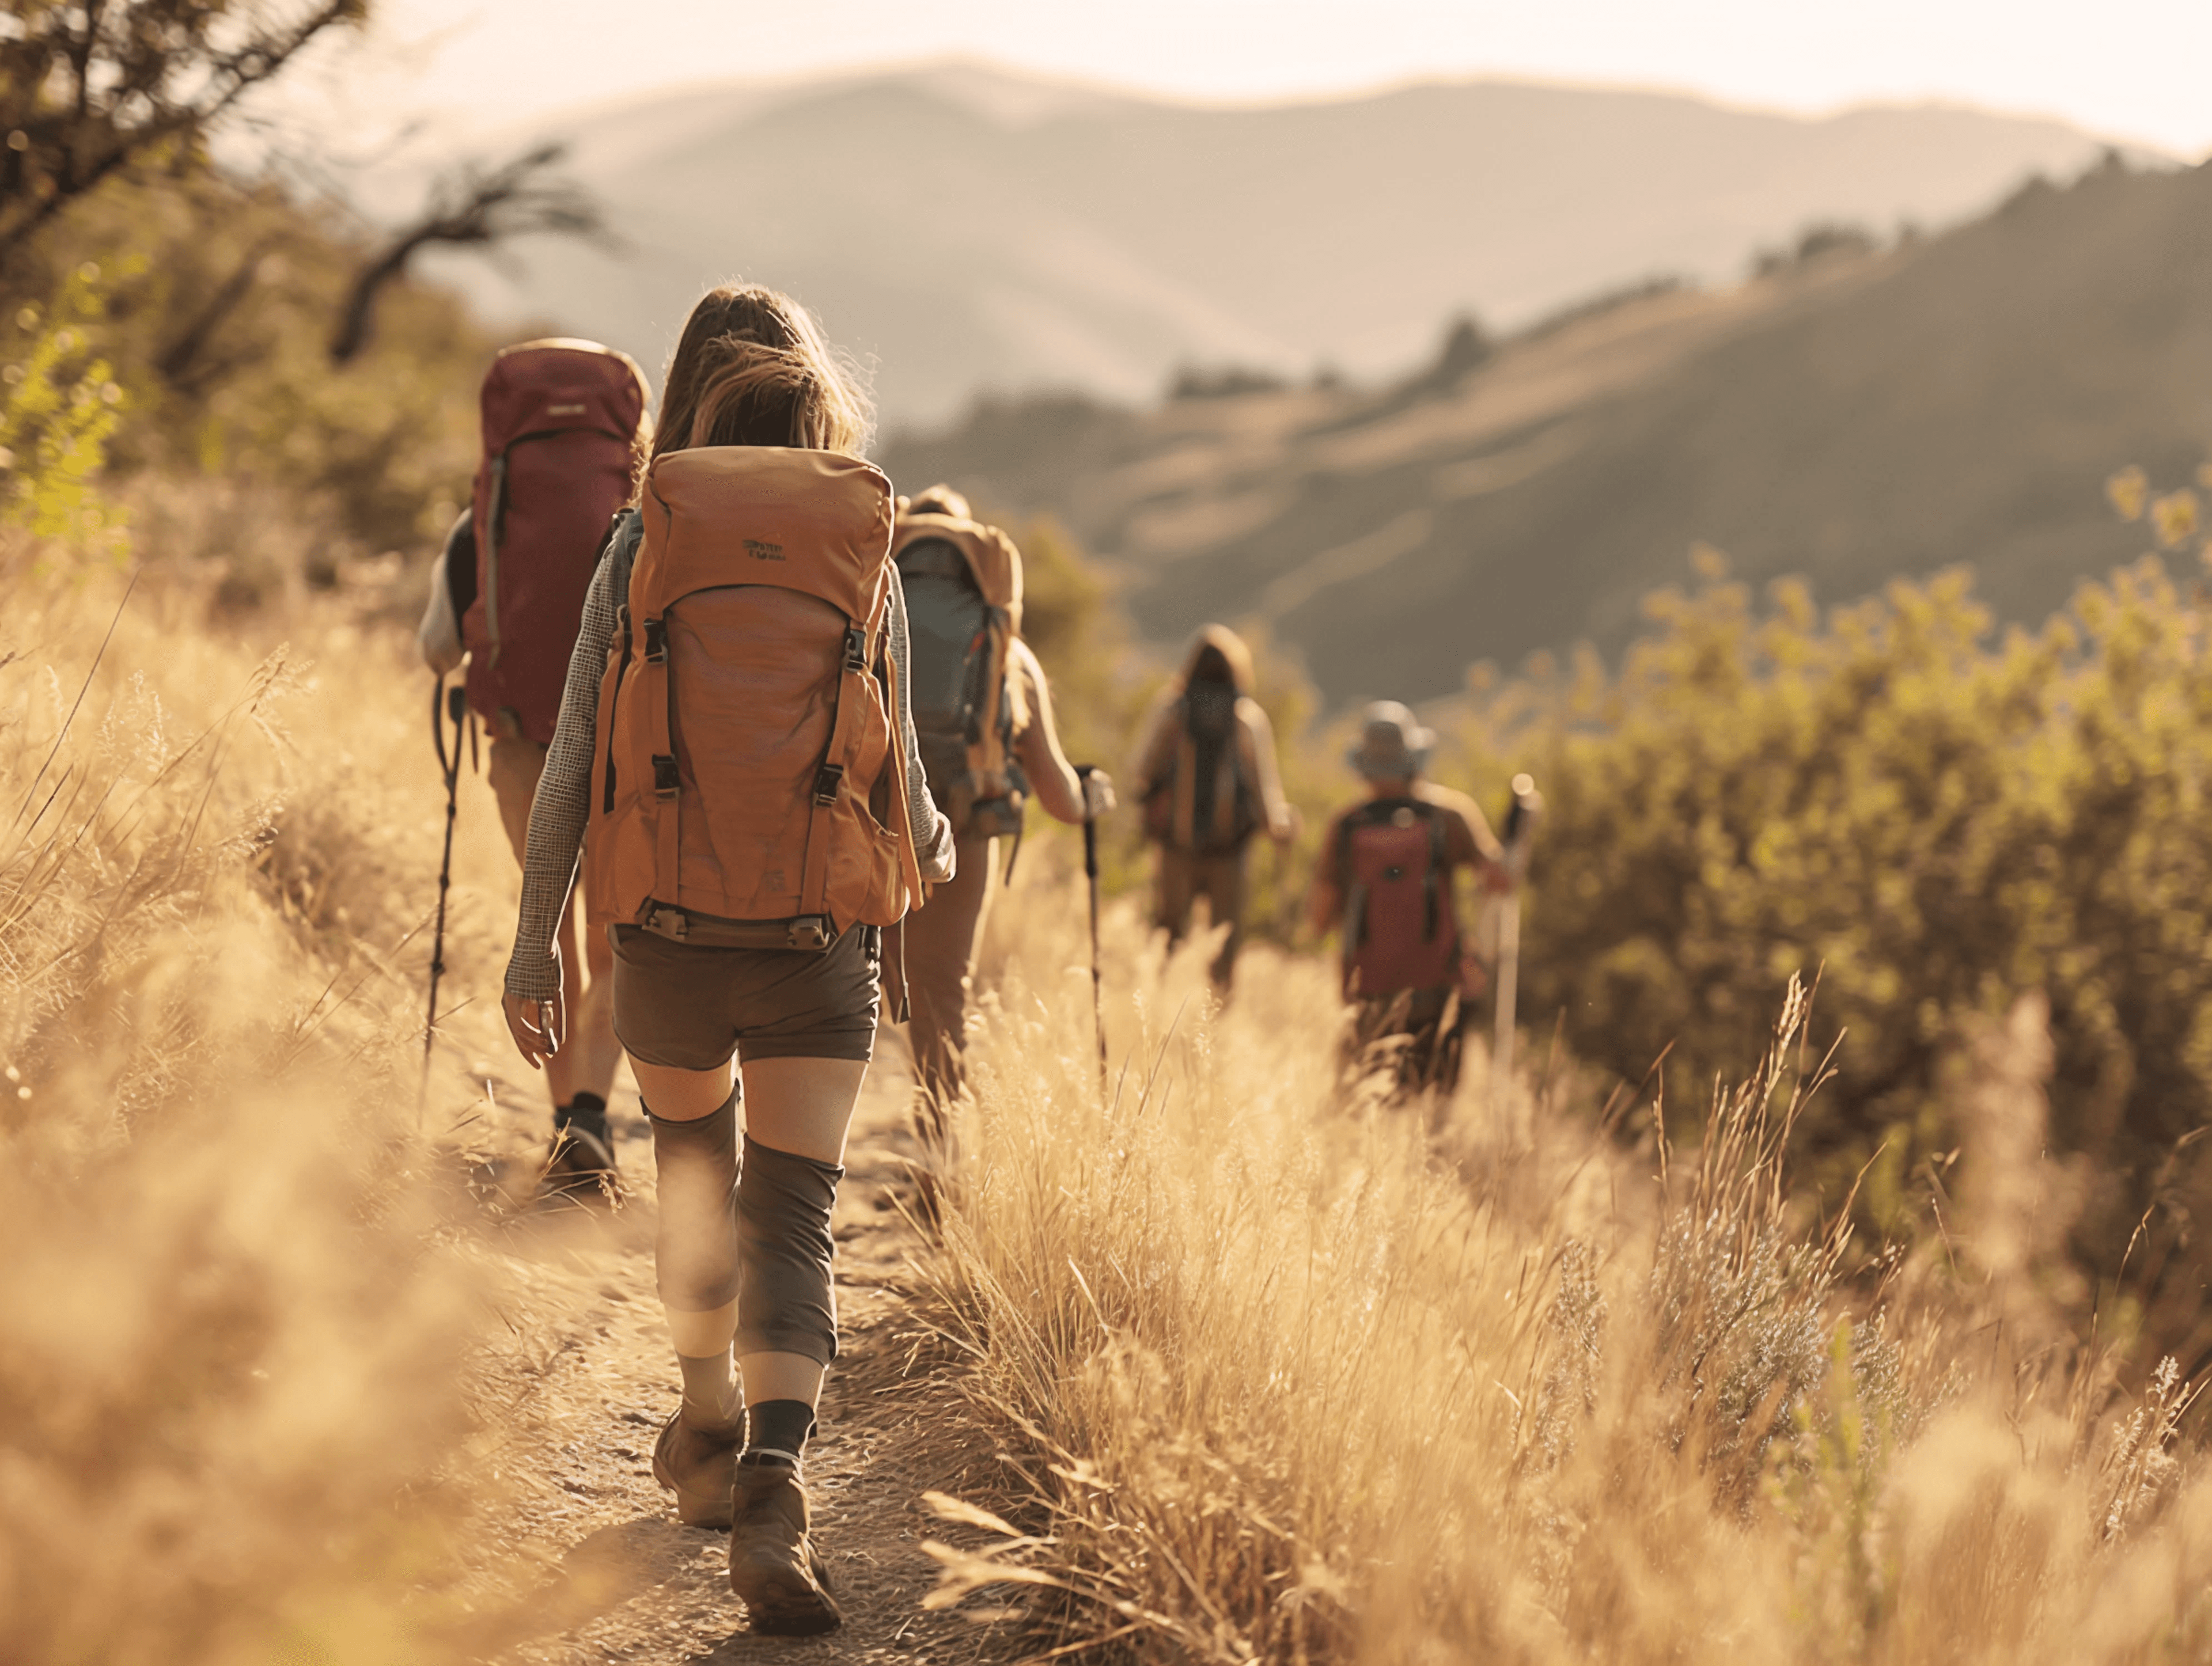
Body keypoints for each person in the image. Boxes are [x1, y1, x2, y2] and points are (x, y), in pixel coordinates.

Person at [498, 283, 956, 1635]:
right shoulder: (861, 546)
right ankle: (774, 1477)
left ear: (680, 394)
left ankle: (702, 1417)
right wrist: (925, 858)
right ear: (818, 405)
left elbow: (576, 758)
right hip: (819, 940)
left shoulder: (643, 537)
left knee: (696, 1174)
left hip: (665, 941)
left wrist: (537, 945)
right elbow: (908, 777)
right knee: (796, 1206)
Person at [418, 338, 649, 1194]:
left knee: (545, 926)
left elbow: (437, 649)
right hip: (625, 741)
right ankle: (593, 1110)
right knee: (613, 929)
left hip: (521, 738)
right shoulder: (647, 520)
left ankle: (565, 1126)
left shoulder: (480, 522)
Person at [890, 483, 1115, 1112]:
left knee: (850, 995)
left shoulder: (861, 620)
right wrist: (1095, 797)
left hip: (866, 823)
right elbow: (1061, 797)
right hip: (960, 832)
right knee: (941, 992)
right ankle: (937, 1163)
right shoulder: (1007, 650)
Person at [1306, 702, 1510, 1096]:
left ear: (1363, 765)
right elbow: (1500, 879)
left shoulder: (1346, 826)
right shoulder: (1450, 816)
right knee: (1433, 1111)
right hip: (1438, 985)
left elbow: (1317, 918)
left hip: (1367, 990)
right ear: (1414, 759)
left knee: (1361, 1105)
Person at [1132, 624, 1295, 988]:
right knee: (1225, 942)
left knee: (1168, 933)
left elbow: (1142, 771)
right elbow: (1264, 786)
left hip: (1177, 844)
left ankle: (1156, 1002)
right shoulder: (1246, 718)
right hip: (1230, 849)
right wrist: (1278, 828)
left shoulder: (1173, 710)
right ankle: (1217, 1016)